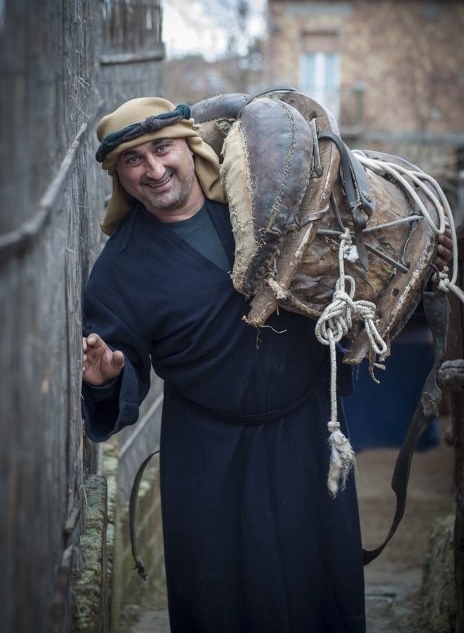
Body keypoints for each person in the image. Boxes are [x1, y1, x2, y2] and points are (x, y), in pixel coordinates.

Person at [81, 97, 452, 633]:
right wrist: (106, 380)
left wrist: (423, 265)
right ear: (119, 176)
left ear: (190, 146)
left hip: (306, 430)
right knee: (221, 598)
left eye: (163, 148)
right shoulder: (119, 271)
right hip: (206, 453)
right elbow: (116, 372)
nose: (154, 169)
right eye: (133, 160)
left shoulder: (265, 205)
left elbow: (359, 271)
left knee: (321, 585)